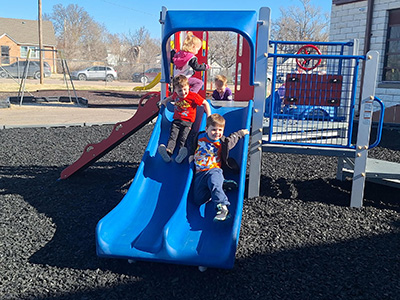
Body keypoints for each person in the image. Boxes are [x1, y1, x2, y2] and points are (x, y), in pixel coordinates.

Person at [189, 113, 249, 222]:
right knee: (198, 199)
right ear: (206, 129)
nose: (217, 133)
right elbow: (191, 144)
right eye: (214, 130)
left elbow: (233, 139)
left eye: (220, 130)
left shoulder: (222, 142)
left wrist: (241, 133)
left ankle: (223, 208)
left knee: (215, 184)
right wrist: (190, 155)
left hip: (213, 170)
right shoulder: (199, 137)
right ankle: (223, 184)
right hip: (200, 173)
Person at [158, 75, 211, 163]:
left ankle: (180, 155)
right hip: (176, 121)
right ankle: (168, 152)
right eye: (180, 90)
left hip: (188, 122)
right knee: (173, 137)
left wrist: (209, 116)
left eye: (185, 89)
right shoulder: (175, 95)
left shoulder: (193, 96)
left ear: (188, 87)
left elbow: (205, 103)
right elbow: (171, 97)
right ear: (175, 90)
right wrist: (165, 101)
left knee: (184, 138)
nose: (183, 92)